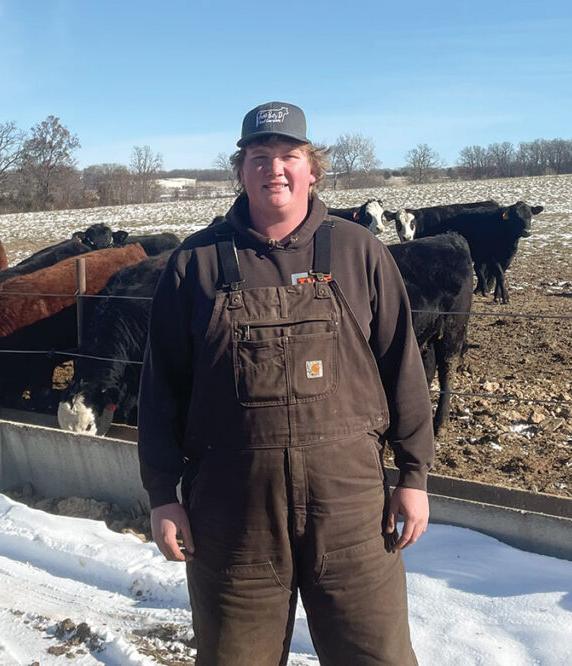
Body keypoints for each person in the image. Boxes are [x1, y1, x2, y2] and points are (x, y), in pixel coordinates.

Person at [137, 101, 434, 665]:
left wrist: (414, 475)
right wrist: (160, 495)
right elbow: (160, 392)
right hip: (232, 511)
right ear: (241, 169)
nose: (275, 168)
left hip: (350, 505)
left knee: (377, 656)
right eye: (259, 156)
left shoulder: (359, 252)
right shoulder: (193, 264)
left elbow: (403, 368)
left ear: (312, 168)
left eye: (289, 155)